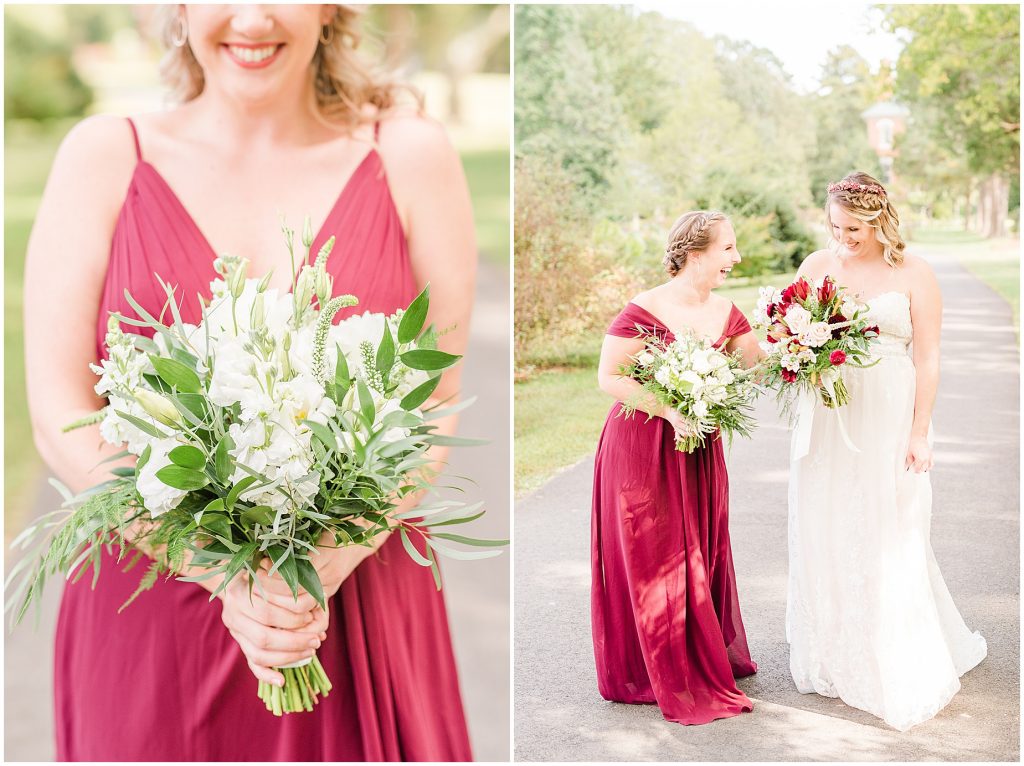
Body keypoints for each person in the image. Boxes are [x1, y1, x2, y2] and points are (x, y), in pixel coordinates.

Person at [23, 5, 477, 760]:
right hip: (150, 615)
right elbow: (59, 414)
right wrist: (227, 578)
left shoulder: (410, 156)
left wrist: (324, 563)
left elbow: (438, 400)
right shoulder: (103, 155)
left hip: (351, 598)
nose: (254, 17)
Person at [787, 171, 987, 731]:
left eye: (853, 227)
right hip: (830, 415)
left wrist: (920, 432)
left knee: (890, 526)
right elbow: (789, 333)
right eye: (834, 226)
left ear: (878, 220)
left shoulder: (916, 274)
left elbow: (928, 359)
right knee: (826, 522)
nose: (843, 237)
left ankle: (892, 649)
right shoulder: (816, 267)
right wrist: (800, 355)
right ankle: (833, 649)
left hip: (890, 416)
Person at [591, 210, 762, 725]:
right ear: (696, 253)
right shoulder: (645, 308)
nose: (736, 258)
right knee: (654, 552)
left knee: (699, 547)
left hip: (701, 448)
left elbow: (759, 366)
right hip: (644, 443)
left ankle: (697, 649)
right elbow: (610, 377)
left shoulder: (728, 310)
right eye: (728, 248)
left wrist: (812, 339)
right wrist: (670, 408)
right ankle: (651, 665)